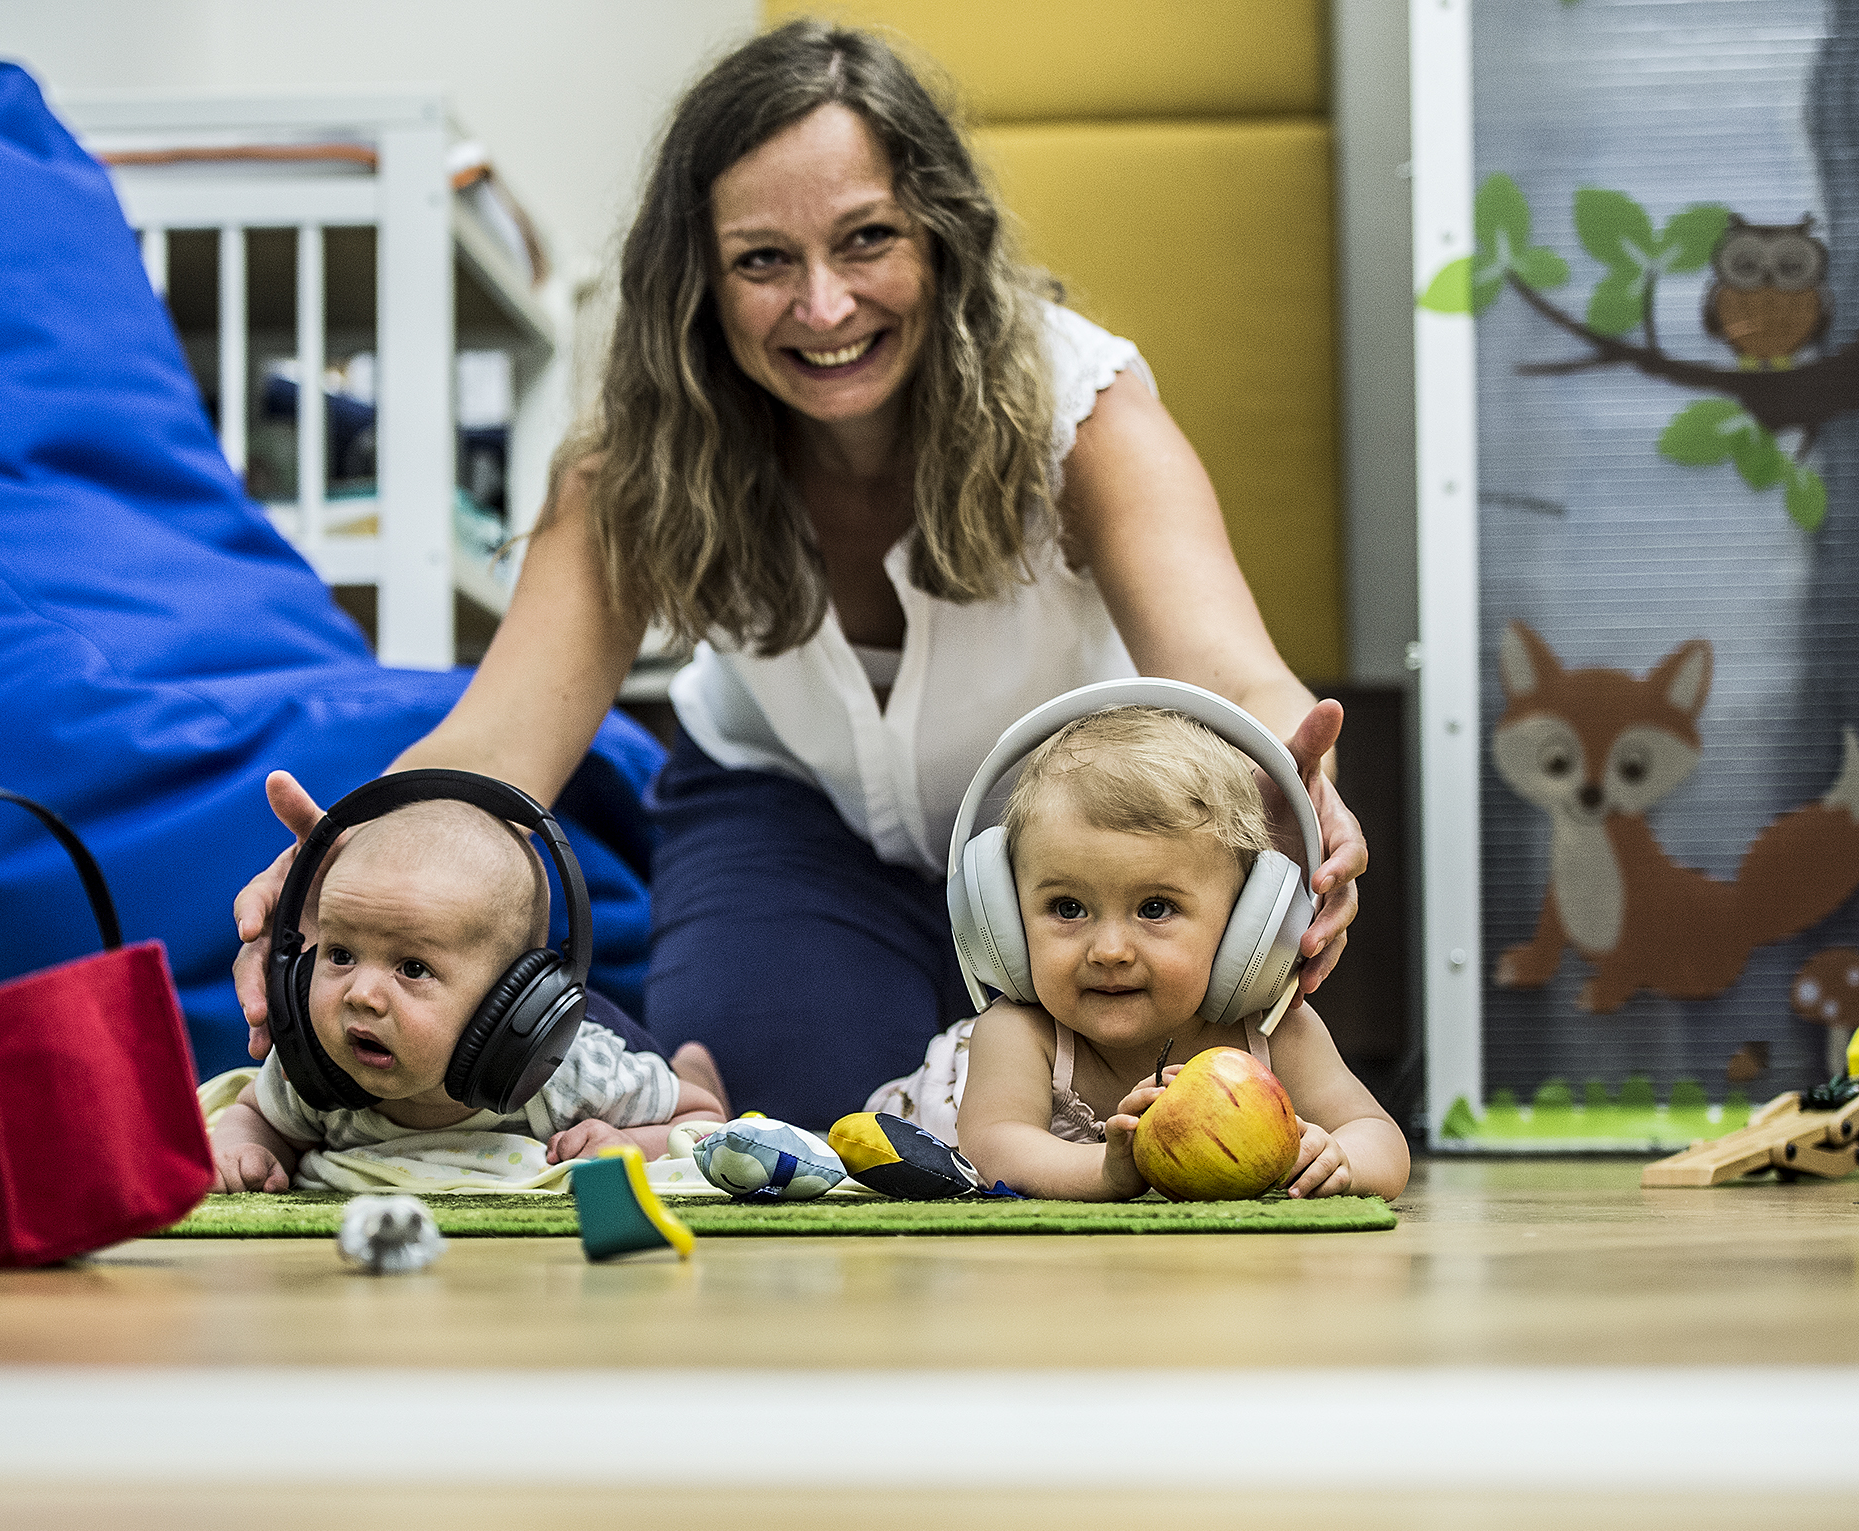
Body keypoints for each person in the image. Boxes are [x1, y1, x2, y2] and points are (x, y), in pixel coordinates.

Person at [234, 20, 1367, 1129]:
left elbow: (1227, 671)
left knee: (1080, 1114)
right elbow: (496, 749)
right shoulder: (634, 461)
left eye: (866, 239)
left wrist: (1300, 786)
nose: (823, 306)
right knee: (787, 1134)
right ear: (701, 280)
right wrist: (349, 856)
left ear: (940, 237)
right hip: (782, 812)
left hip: (1081, 846)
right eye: (763, 260)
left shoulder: (1083, 409)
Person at [953, 707, 1408, 1200]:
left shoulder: (1273, 1033)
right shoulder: (1020, 1032)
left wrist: (1342, 1161)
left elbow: (1379, 1137)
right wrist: (1105, 1171)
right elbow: (993, 1148)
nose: (1109, 951)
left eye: (1155, 908)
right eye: (1068, 908)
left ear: (1246, 925)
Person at [208, 800, 724, 1192]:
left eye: (413, 969)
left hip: (604, 1029)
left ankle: (693, 1065)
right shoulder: (316, 1074)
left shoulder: (573, 1078)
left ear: (511, 1000)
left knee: (679, 1081)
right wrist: (246, 1147)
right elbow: (255, 1114)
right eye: (341, 955)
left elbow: (703, 1120)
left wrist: (631, 1143)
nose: (361, 995)